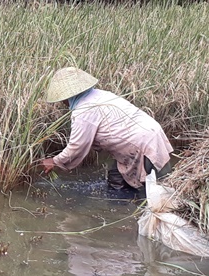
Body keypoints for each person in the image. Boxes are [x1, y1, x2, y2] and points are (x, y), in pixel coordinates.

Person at [41, 67, 174, 191]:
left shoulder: (83, 111)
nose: (62, 103)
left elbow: (76, 147)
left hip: (141, 145)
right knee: (116, 178)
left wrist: (54, 161)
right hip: (152, 133)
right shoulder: (101, 94)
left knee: (154, 190)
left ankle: (129, 206)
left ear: (67, 97)